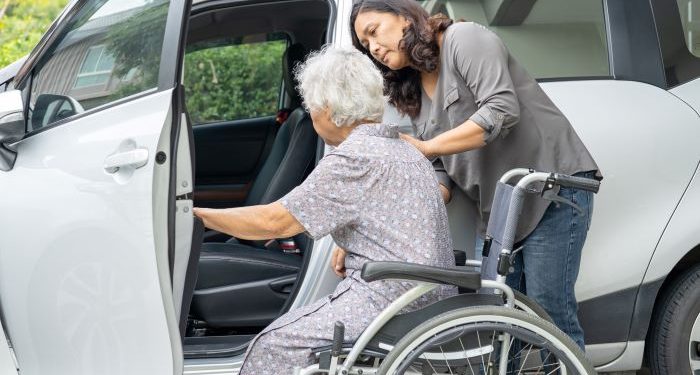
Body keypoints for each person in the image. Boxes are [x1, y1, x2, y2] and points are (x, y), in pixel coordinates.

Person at [344, 0, 602, 350]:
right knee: (501, 324)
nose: (373, 48)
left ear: (405, 15)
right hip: (498, 213)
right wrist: (378, 224)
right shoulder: (414, 90)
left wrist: (428, 147)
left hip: (548, 190)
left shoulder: (462, 39)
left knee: (550, 316)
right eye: (365, 45)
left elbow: (501, 110)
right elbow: (439, 171)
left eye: (374, 32)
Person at [193, 46, 456, 374]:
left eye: (312, 105)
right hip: (429, 291)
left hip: (393, 298)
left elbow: (275, 223)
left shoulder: (353, 158)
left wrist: (197, 216)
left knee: (274, 345)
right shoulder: (402, 147)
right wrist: (348, 244)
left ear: (329, 109)